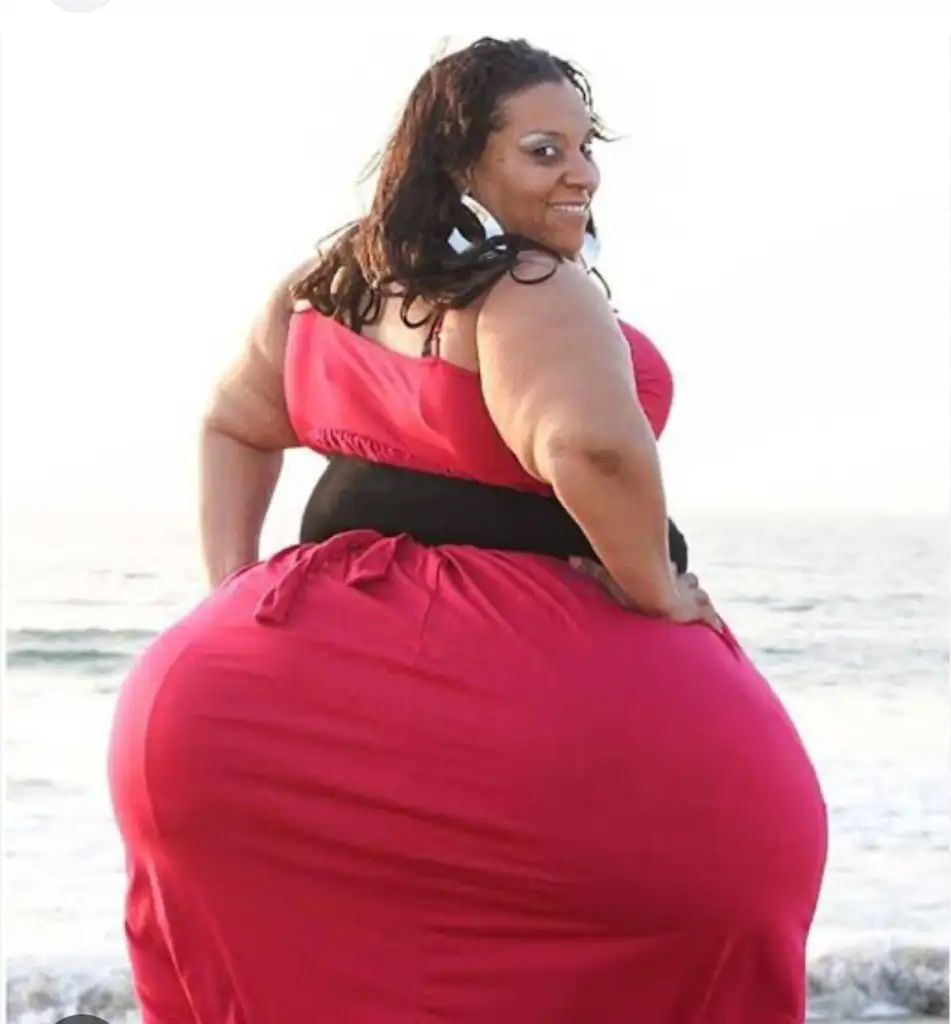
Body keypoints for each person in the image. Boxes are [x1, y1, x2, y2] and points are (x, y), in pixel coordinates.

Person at [107, 37, 828, 1023]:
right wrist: (654, 586)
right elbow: (592, 450)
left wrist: (233, 597)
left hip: (227, 716)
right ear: (459, 162)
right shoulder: (531, 287)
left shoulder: (328, 288)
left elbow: (232, 423)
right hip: (500, 728)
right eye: (543, 150)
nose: (582, 174)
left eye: (585, 146)